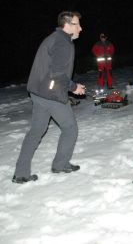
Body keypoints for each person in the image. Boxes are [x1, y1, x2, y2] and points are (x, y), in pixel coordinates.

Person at [12, 11, 85, 183]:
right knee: (70, 128)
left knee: (36, 131)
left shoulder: (53, 38)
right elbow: (58, 73)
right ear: (67, 25)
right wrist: (74, 87)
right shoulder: (63, 42)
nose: (80, 28)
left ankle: (21, 173)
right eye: (77, 24)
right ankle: (61, 164)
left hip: (38, 92)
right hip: (51, 94)